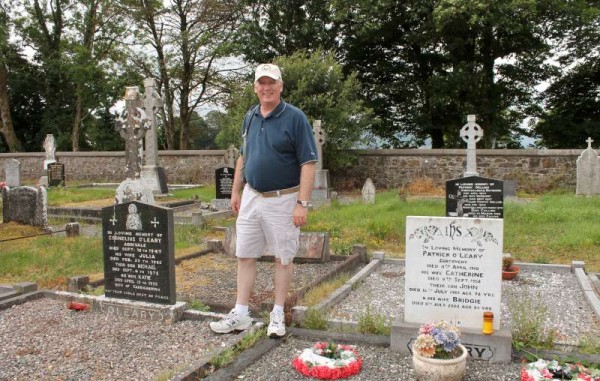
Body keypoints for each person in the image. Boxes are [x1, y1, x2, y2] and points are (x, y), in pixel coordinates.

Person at [210, 63, 318, 338]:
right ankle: (241, 313)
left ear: (281, 86)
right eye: (262, 83)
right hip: (252, 196)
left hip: (283, 199)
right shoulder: (250, 116)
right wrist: (236, 190)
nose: (266, 88)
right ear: (255, 87)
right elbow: (243, 156)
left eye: (272, 83)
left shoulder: (295, 118)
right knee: (244, 255)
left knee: (282, 257)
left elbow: (308, 162)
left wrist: (301, 203)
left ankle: (278, 313)